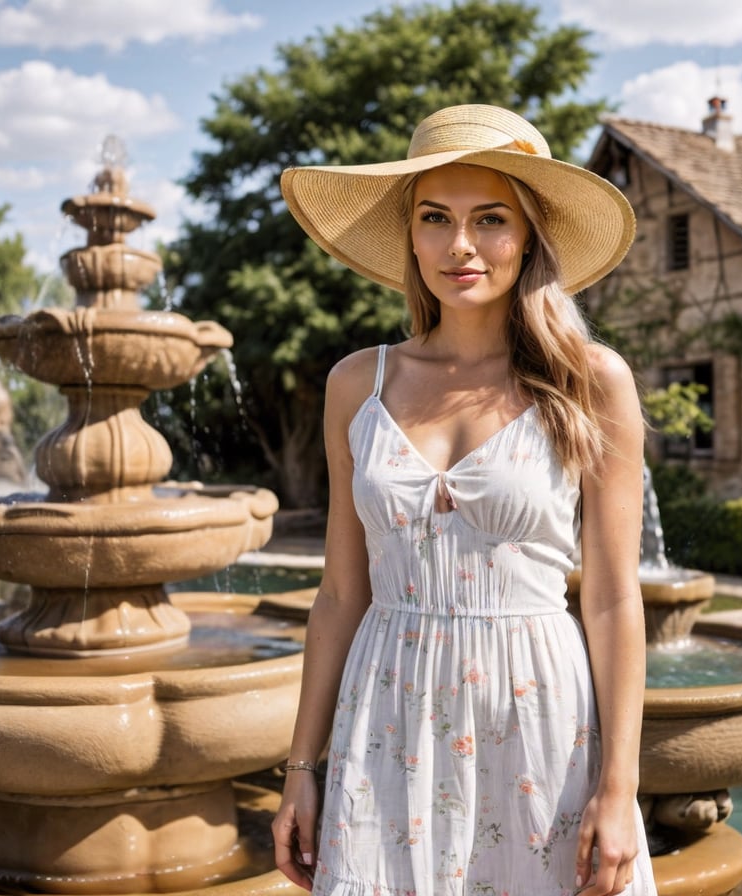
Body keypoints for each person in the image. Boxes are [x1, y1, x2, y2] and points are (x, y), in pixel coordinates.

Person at [271, 104, 656, 896]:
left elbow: (616, 600)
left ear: (529, 235)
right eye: (435, 218)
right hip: (385, 718)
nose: (461, 246)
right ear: (410, 235)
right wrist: (300, 771)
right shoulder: (358, 384)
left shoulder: (591, 382)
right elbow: (342, 594)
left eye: (490, 219)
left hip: (538, 722)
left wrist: (620, 788)